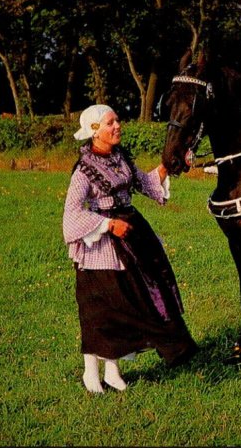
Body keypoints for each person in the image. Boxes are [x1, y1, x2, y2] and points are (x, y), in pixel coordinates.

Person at [63, 104, 197, 394]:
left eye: (118, 120)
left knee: (130, 300)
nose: (118, 126)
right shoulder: (84, 170)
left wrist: (168, 164)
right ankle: (91, 373)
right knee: (103, 307)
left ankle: (112, 371)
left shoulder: (120, 158)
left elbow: (146, 183)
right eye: (111, 122)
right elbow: (71, 216)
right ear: (95, 131)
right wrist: (108, 224)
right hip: (102, 243)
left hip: (133, 234)